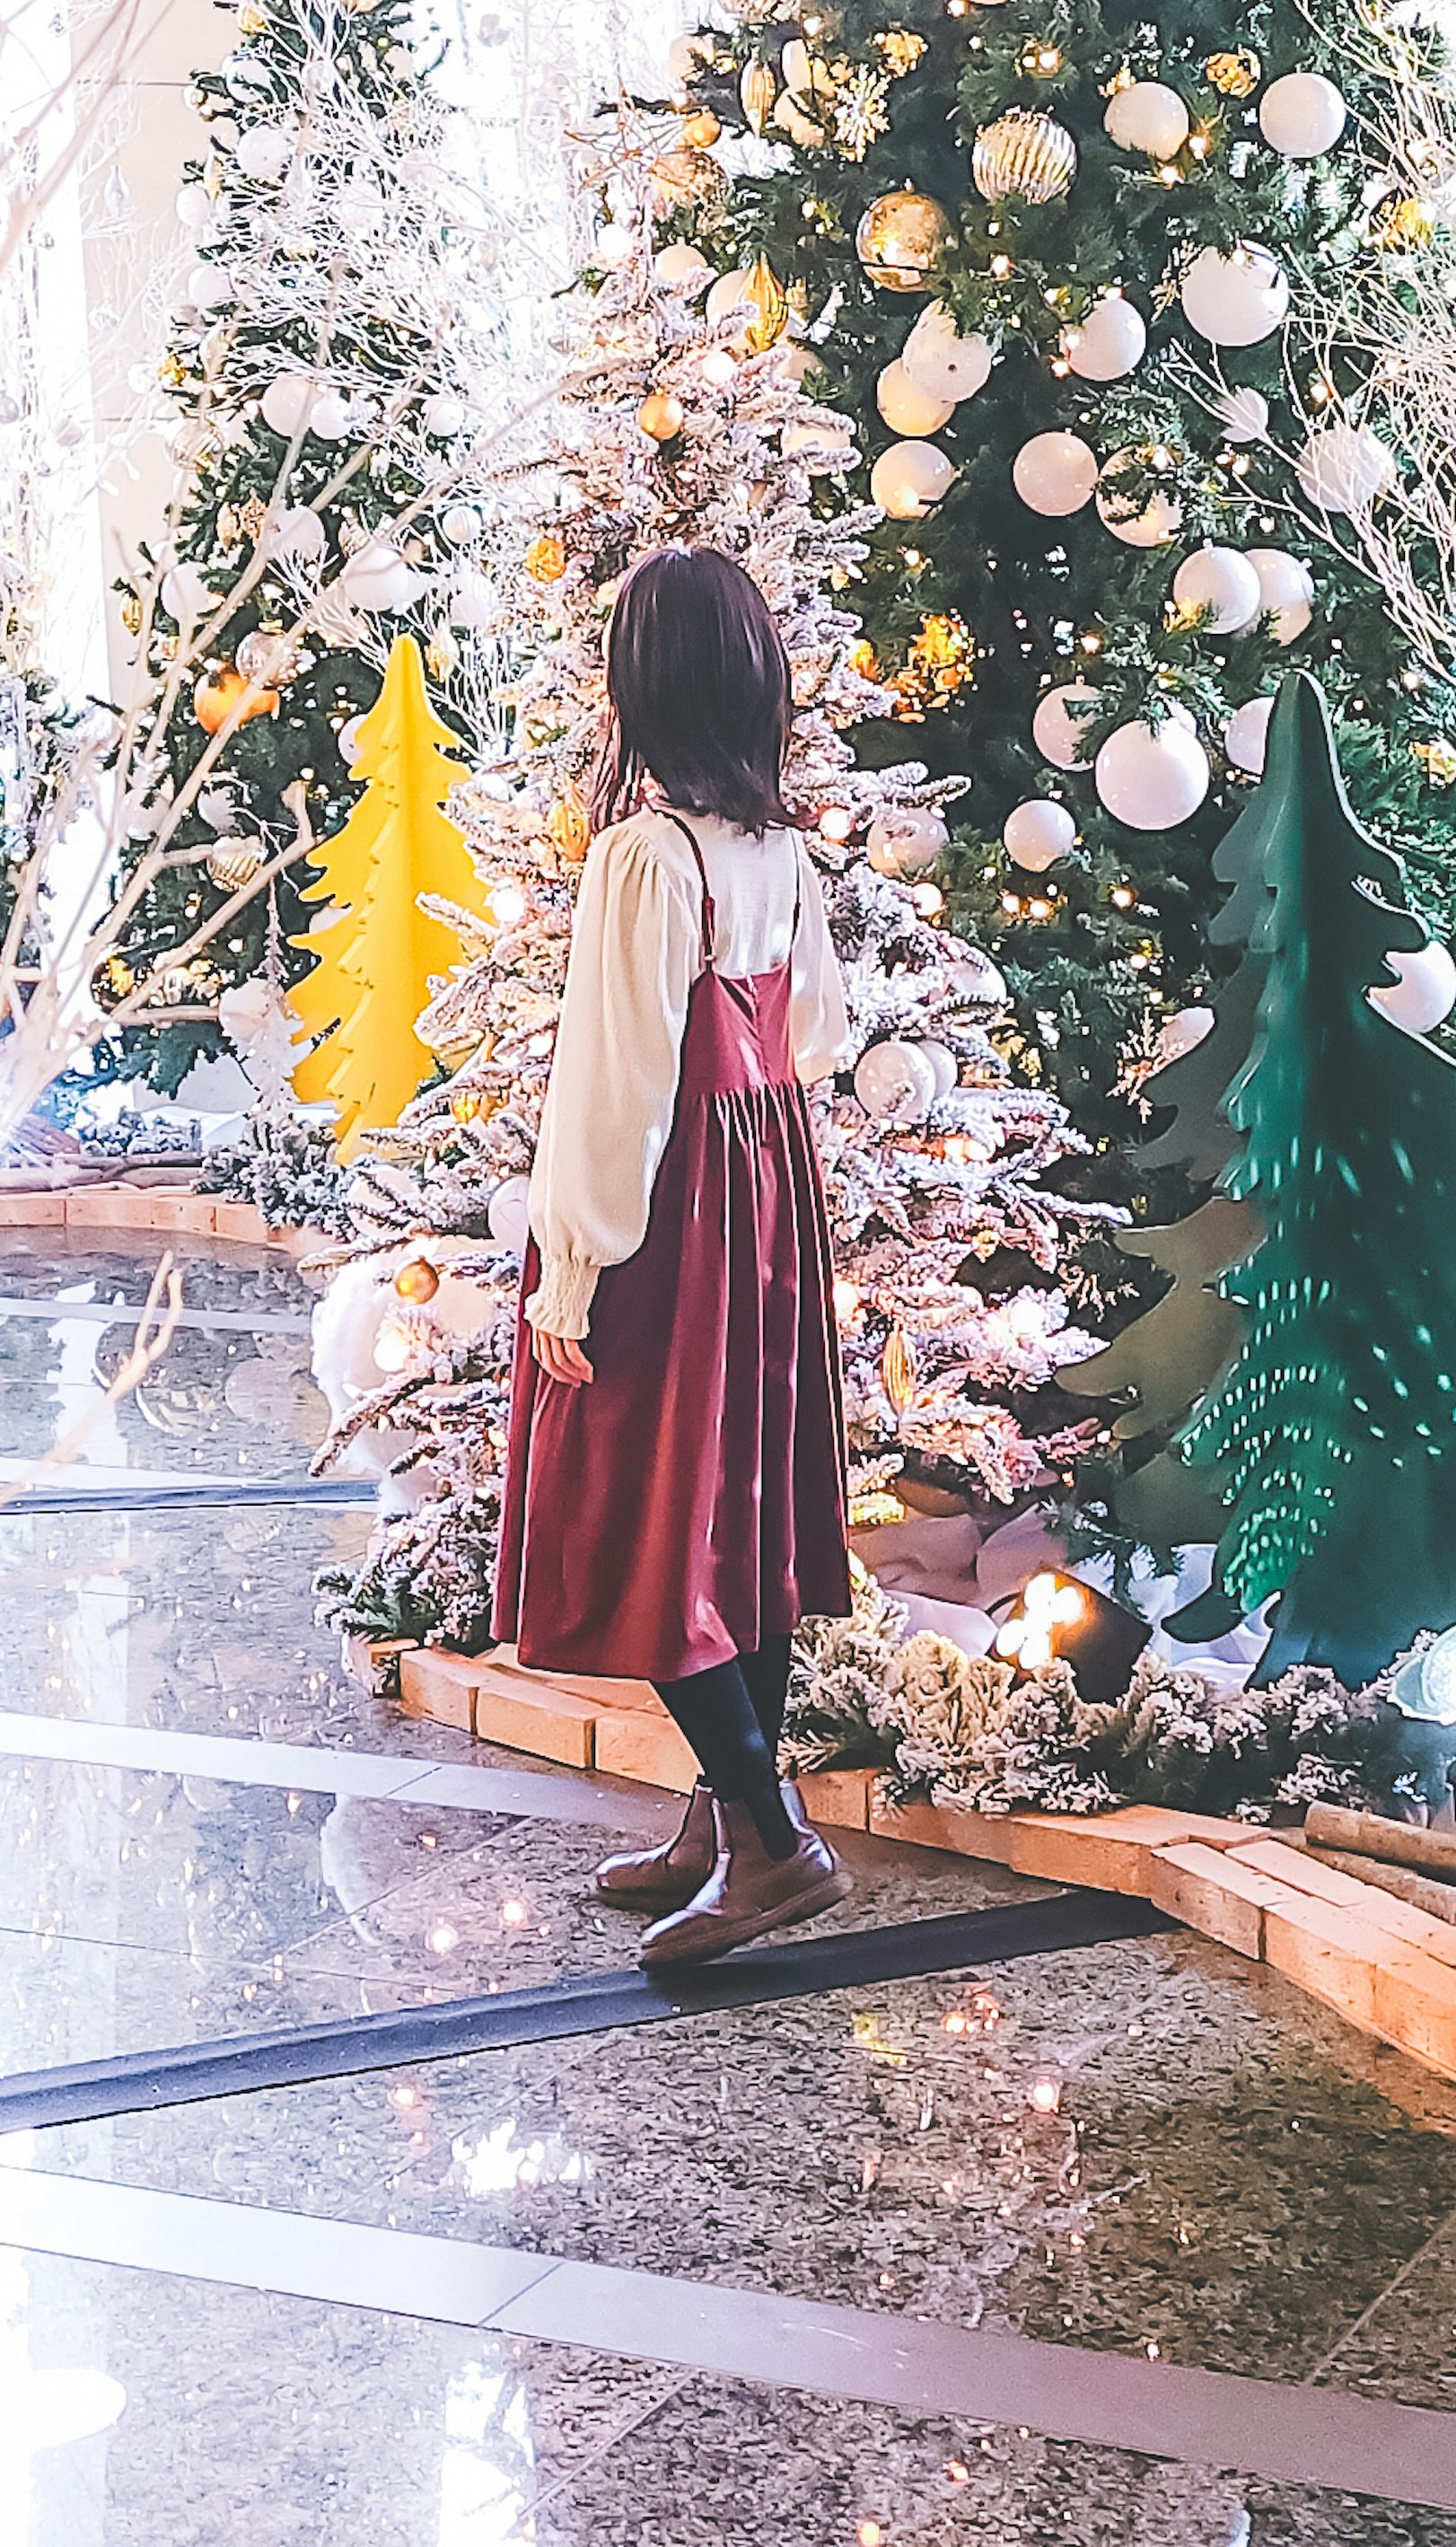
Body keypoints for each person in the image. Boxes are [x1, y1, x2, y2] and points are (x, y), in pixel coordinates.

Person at [493, 542, 856, 1964]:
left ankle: (772, 1842)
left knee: (645, 1510)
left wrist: (569, 1271)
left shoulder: (644, 858)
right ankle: (727, 1810)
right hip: (767, 1185)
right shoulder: (776, 852)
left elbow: (614, 1084)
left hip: (676, 1216)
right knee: (740, 1509)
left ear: (642, 688)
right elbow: (814, 1033)